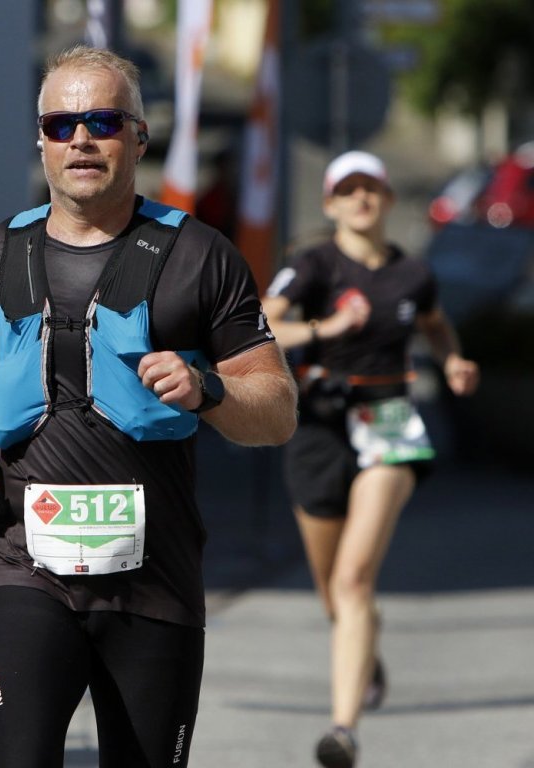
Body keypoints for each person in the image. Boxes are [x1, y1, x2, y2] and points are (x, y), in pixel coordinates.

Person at [0, 45, 298, 768]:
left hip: (154, 585)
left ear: (139, 138)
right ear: (40, 140)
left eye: (102, 121)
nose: (81, 140)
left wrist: (209, 389)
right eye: (61, 125)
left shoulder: (201, 257)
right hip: (25, 569)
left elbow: (278, 408)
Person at [262, 150, 479, 768]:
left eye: (371, 188)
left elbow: (435, 325)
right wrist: (327, 329)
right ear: (330, 204)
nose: (361, 199)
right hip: (319, 426)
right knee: (333, 592)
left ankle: (343, 730)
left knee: (355, 579)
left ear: (387, 198)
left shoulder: (414, 272)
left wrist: (452, 360)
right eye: (348, 190)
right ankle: (365, 655)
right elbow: (263, 325)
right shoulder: (313, 265)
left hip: (389, 422)